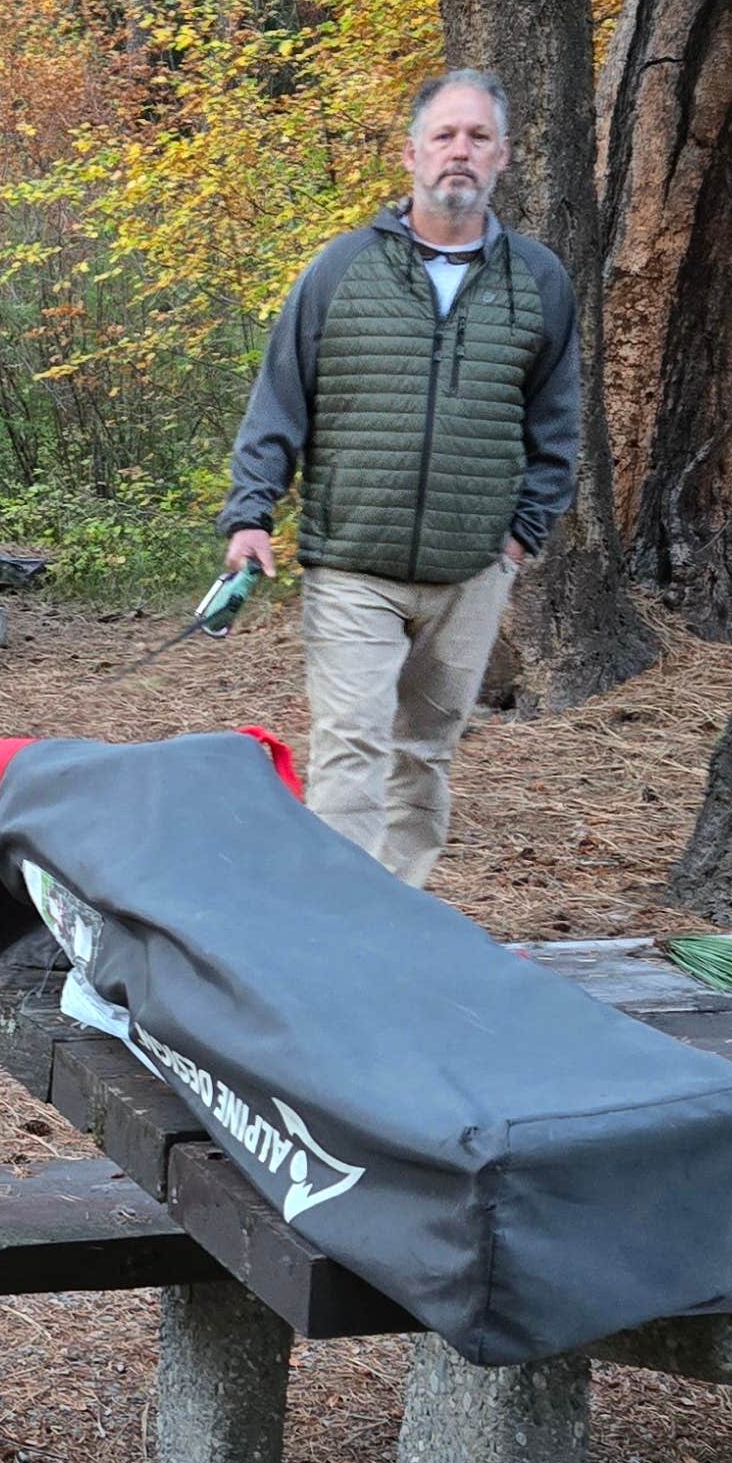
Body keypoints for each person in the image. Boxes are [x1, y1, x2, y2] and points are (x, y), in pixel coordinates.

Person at [216, 67, 581, 889]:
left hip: (470, 568)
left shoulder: (538, 281)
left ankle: (398, 919)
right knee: (350, 743)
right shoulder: (342, 269)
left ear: (504, 158)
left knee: (424, 751)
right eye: (445, 136)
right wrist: (249, 515)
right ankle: (337, 922)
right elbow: (279, 402)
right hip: (353, 562)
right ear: (412, 153)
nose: (461, 152)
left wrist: (522, 536)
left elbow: (557, 425)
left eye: (478, 137)